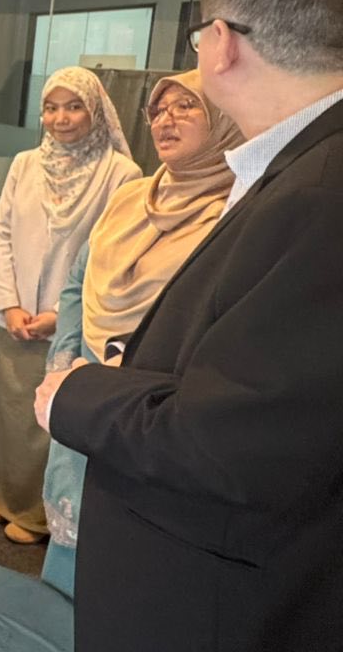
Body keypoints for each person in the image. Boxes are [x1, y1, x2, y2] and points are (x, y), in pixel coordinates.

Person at [36, 0, 343, 651]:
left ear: (223, 44)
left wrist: (79, 393)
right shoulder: (292, 172)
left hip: (221, 598)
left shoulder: (317, 195)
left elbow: (235, 439)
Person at [41, 70, 243, 559]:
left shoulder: (235, 212)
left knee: (124, 549)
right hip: (86, 380)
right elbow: (78, 281)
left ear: (224, 120)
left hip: (151, 406)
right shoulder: (131, 198)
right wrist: (66, 365)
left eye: (186, 107)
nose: (165, 121)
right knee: (70, 533)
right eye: (157, 110)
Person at [0, 66, 139, 545]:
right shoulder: (25, 163)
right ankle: (0, 494)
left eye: (74, 107)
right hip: (16, 315)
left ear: (96, 112)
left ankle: (37, 512)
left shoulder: (121, 173)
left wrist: (59, 313)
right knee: (8, 411)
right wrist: (8, 303)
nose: (60, 118)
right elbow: (0, 232)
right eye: (51, 108)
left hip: (69, 318)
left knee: (51, 415)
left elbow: (111, 254)